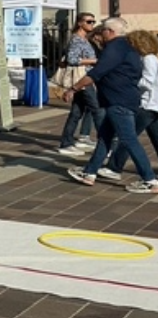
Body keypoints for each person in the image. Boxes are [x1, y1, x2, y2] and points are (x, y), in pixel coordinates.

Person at [64, 17, 158, 193]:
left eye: (102, 31)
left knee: (129, 139)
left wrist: (74, 88)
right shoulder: (128, 48)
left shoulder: (116, 47)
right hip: (122, 100)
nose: (100, 34)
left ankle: (150, 179)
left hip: (119, 102)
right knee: (105, 137)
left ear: (110, 32)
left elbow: (98, 72)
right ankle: (89, 172)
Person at [97, 29, 158, 185]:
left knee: (128, 137)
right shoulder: (150, 58)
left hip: (146, 104)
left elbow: (148, 81)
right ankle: (114, 167)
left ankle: (115, 168)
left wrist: (132, 83)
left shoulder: (148, 59)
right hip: (152, 105)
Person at [57, 12, 102, 156]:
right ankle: (105, 142)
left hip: (86, 78)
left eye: (93, 21)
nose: (92, 24)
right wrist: (94, 61)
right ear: (79, 23)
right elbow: (72, 59)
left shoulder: (85, 39)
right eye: (89, 21)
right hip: (82, 79)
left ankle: (67, 141)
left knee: (77, 112)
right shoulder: (77, 40)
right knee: (96, 109)